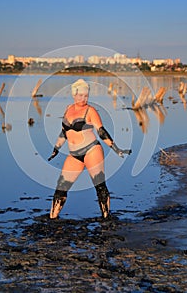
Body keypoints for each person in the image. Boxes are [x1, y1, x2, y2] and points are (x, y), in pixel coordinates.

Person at [48, 79, 131, 219]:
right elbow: (64, 131)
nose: (83, 98)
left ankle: (106, 218)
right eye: (80, 95)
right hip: (74, 154)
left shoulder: (90, 110)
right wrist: (56, 148)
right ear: (74, 94)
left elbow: (101, 131)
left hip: (91, 150)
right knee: (61, 186)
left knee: (99, 184)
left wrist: (116, 149)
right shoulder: (68, 108)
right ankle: (52, 218)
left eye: (86, 95)